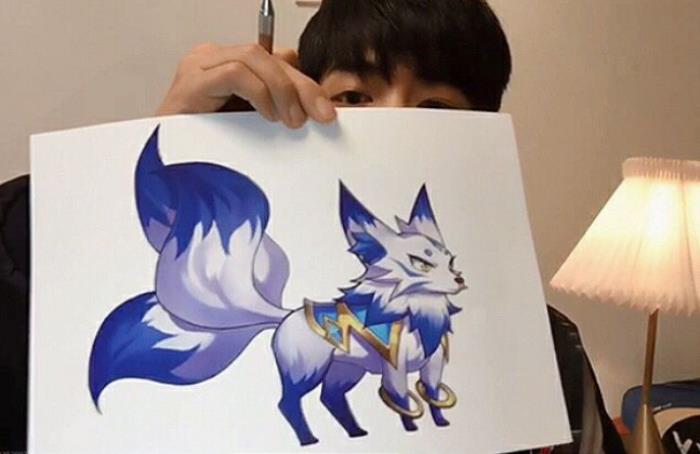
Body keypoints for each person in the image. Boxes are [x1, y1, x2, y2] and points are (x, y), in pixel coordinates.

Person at [0, 1, 624, 452]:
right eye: (353, 98)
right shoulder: (259, 283)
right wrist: (166, 145)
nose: (393, 127)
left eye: (436, 106)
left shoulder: (544, 349)